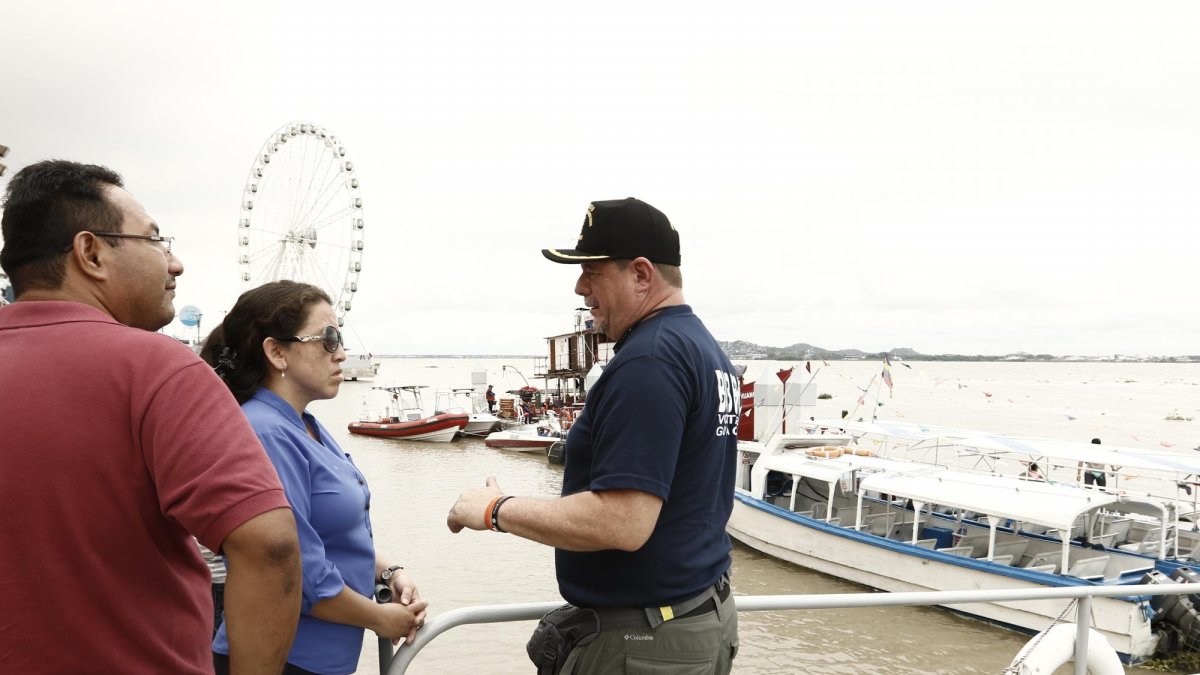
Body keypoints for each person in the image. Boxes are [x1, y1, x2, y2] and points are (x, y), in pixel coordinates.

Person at [0, 160, 302, 674]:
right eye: (156, 241)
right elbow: (269, 545)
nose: (175, 263)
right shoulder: (158, 368)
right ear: (90, 252)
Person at [447, 197, 740, 673]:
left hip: (647, 642)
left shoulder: (650, 361)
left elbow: (622, 521)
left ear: (641, 274)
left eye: (592, 271)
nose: (580, 287)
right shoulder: (703, 348)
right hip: (697, 614)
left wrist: (495, 511)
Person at [201, 280, 428, 675]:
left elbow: (326, 536)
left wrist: (388, 572)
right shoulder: (266, 432)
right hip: (285, 660)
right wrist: (380, 618)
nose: (342, 352)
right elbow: (299, 572)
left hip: (320, 660)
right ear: (276, 352)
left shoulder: (305, 425)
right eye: (328, 338)